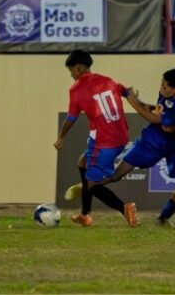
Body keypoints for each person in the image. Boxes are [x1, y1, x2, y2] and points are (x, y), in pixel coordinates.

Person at [95, 68, 175, 227]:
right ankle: (89, 184)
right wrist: (139, 101)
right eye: (161, 84)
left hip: (172, 142)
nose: (161, 88)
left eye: (165, 87)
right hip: (153, 140)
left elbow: (152, 117)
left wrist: (132, 101)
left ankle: (163, 218)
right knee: (116, 175)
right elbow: (157, 111)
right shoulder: (168, 93)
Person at [54, 50, 139, 228]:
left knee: (93, 184)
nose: (71, 76)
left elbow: (71, 117)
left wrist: (61, 137)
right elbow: (128, 92)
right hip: (121, 135)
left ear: (78, 68)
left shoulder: (76, 89)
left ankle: (125, 209)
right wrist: (145, 104)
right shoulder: (107, 80)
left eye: (71, 72)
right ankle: (85, 214)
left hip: (104, 140)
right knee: (83, 162)